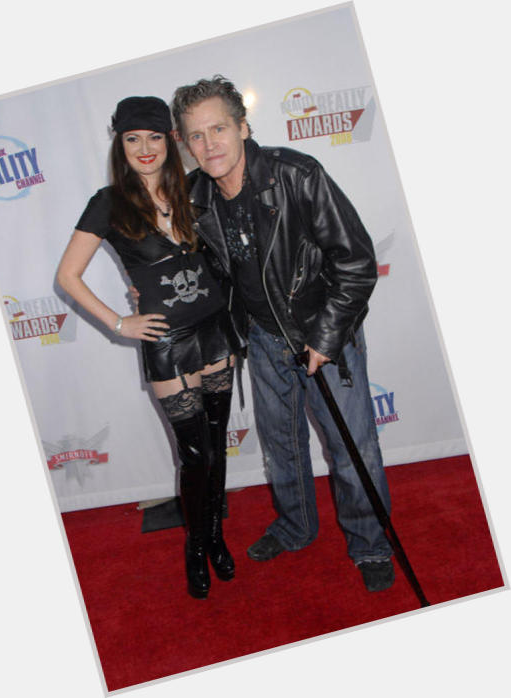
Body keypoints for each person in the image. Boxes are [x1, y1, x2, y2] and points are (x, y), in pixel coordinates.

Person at [169, 76, 395, 593]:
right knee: (281, 446)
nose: (209, 144)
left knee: (352, 447)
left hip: (323, 335)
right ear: (186, 143)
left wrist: (327, 337)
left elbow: (356, 262)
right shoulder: (194, 196)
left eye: (219, 129)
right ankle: (296, 527)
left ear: (243, 127)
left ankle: (370, 545)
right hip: (262, 340)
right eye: (197, 135)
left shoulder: (296, 174)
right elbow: (196, 271)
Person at [57, 96, 242, 600]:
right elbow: (67, 276)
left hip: (215, 328)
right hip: (167, 342)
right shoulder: (108, 202)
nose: (144, 148)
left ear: (170, 141)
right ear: (120, 144)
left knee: (217, 442)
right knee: (194, 454)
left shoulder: (195, 187)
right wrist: (120, 322)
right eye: (133, 138)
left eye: (155, 137)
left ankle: (216, 536)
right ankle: (194, 546)